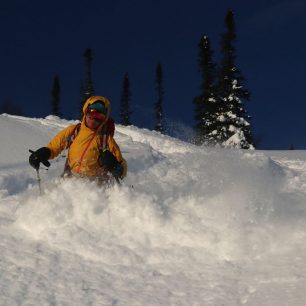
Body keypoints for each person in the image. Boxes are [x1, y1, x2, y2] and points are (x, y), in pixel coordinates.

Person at [29, 96, 127, 184]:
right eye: (91, 113)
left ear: (104, 119)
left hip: (96, 186)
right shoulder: (74, 131)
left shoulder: (106, 139)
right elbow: (55, 146)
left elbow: (122, 169)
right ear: (85, 111)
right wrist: (43, 153)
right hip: (70, 178)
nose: (93, 119)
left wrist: (116, 166)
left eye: (99, 117)